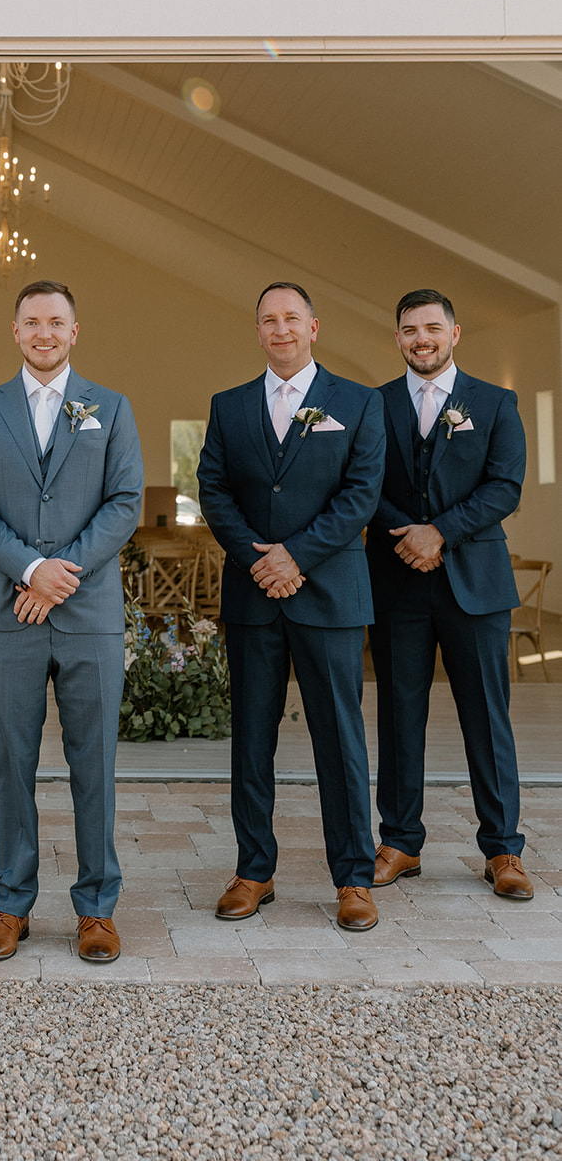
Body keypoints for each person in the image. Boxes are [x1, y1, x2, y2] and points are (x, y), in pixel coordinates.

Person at [0, 280, 144, 964]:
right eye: (31, 322)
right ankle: (11, 901)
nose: (43, 333)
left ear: (74, 330)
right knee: (11, 761)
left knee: (95, 764)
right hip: (11, 613)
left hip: (89, 613)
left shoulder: (110, 407)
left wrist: (63, 573)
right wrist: (30, 569)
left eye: (55, 322)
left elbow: (124, 501)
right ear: (15, 331)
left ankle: (96, 908)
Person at [197, 282, 385, 932]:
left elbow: (361, 493)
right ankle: (253, 870)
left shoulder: (357, 402)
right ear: (257, 331)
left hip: (329, 595)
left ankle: (353, 877)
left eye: (291, 318)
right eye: (268, 320)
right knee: (251, 739)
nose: (280, 329)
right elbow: (213, 490)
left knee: (340, 739)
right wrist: (259, 560)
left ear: (313, 327)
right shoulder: (227, 406)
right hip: (252, 596)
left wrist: (295, 557)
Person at [366, 289, 532, 899]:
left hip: (475, 584)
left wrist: (440, 532)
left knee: (487, 717)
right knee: (399, 716)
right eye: (410, 330)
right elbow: (362, 483)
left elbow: (505, 486)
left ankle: (503, 848)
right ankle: (400, 841)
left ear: (454, 333)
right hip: (397, 581)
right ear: (398, 338)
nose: (422, 339)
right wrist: (408, 535)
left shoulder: (495, 402)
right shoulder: (375, 404)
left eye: (432, 328)